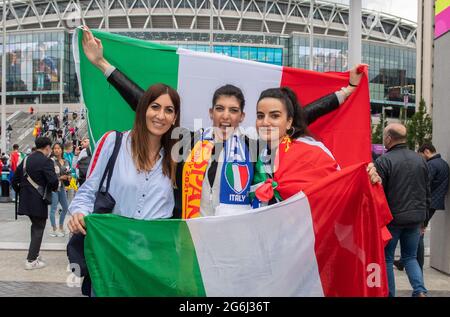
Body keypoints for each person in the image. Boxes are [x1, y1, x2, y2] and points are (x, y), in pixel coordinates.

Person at [81, 26, 366, 218]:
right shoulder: (188, 142)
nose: (226, 115)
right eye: (220, 109)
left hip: (235, 240)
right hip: (189, 235)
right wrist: (102, 64)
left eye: (233, 110)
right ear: (211, 112)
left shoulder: (254, 145)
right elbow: (145, 103)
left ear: (242, 116)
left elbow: (302, 114)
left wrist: (346, 91)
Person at [68, 83, 179, 239]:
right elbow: (88, 192)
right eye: (155, 107)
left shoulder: (177, 158)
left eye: (169, 110)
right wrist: (79, 212)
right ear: (143, 110)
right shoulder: (113, 142)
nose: (161, 116)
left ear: (174, 118)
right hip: (113, 248)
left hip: (154, 254)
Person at [249, 87, 380, 208]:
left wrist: (365, 181)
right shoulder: (250, 152)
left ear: (289, 122)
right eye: (260, 116)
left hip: (301, 231)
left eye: (275, 116)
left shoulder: (311, 152)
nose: (265, 122)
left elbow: (338, 190)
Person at [374, 123, 429, 297]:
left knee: (387, 259)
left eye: (384, 136)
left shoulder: (384, 161)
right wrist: (424, 221)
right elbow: (427, 191)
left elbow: (378, 193)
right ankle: (420, 291)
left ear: (389, 139)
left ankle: (391, 294)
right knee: (410, 257)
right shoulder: (420, 159)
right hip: (416, 218)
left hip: (393, 219)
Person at [395, 143, 450, 272]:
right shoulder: (443, 164)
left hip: (426, 203)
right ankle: (404, 261)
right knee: (418, 232)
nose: (421, 159)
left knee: (418, 234)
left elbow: (423, 183)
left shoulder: (431, 165)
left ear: (426, 151)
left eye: (421, 156)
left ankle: (417, 265)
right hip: (434, 203)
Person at [11, 137, 59, 270]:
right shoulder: (47, 161)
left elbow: (14, 180)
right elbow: (53, 181)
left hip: (26, 200)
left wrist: (22, 192)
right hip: (38, 200)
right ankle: (31, 260)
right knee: (39, 228)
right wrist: (54, 188)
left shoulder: (26, 159)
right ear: (48, 147)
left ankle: (34, 254)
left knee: (35, 226)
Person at [48, 143, 71, 237]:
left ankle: (61, 227)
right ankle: (54, 229)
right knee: (53, 208)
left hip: (62, 187)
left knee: (65, 207)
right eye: (55, 148)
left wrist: (69, 177)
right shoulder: (51, 161)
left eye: (58, 148)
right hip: (54, 187)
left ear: (62, 150)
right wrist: (61, 177)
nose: (56, 150)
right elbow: (50, 176)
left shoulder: (66, 161)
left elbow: (69, 172)